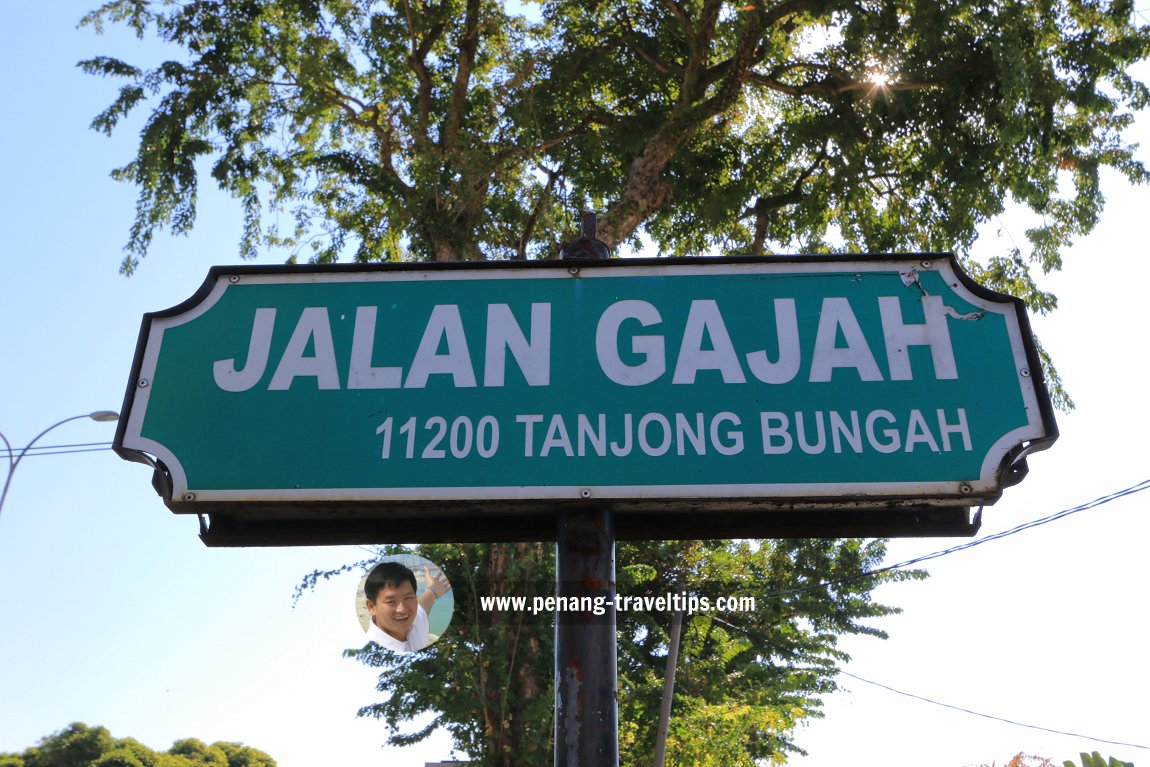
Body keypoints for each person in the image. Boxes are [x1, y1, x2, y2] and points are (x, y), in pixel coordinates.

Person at [363, 560, 451, 653]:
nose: (402, 609)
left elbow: (423, 605)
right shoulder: (374, 648)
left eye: (408, 598)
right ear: (371, 607)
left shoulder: (414, 621)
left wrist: (433, 590)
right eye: (391, 601)